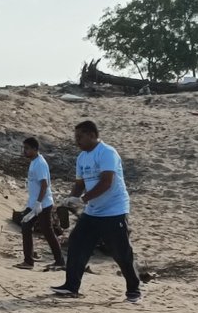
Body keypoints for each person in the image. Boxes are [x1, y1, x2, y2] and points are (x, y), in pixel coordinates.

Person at [51, 121, 142, 302]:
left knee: (121, 252)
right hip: (93, 212)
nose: (77, 141)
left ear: (92, 135)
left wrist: (83, 199)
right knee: (77, 243)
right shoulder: (81, 158)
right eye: (75, 137)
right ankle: (71, 286)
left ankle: (134, 290)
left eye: (80, 137)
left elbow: (107, 182)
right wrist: (71, 199)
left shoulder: (107, 152)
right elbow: (80, 184)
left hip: (114, 210)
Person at [15, 137, 65, 270]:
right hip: (33, 204)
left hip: (43, 204)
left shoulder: (40, 163)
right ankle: (29, 261)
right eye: (24, 148)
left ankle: (59, 260)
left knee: (47, 231)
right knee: (26, 226)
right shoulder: (34, 162)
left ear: (35, 149)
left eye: (27, 148)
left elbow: (44, 184)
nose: (24, 151)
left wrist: (38, 203)